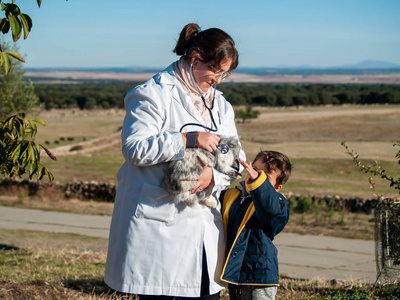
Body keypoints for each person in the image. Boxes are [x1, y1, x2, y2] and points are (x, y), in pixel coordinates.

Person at [104, 23, 245, 299]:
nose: (218, 80)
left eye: (225, 74)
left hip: (205, 232)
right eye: (216, 71)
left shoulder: (220, 104)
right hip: (160, 229)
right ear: (194, 60)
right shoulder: (152, 93)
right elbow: (134, 149)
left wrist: (213, 177)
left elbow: (237, 157)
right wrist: (188, 139)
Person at [219, 151, 292, 300]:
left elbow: (270, 208)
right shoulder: (233, 196)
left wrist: (258, 182)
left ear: (277, 187)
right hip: (237, 272)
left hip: (261, 276)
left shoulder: (277, 203)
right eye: (255, 170)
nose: (255, 175)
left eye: (265, 176)